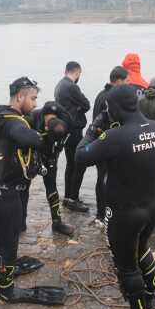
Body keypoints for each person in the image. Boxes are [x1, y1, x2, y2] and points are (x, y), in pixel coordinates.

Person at [76, 84, 155, 309]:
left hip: (123, 212)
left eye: (108, 108)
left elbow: (80, 156)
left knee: (126, 265)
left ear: (115, 108)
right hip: (151, 208)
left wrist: (93, 130)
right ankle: (149, 297)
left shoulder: (115, 136)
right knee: (142, 250)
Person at [0, 77, 65, 305]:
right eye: (32, 98)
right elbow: (26, 137)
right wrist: (46, 134)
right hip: (7, 192)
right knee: (9, 241)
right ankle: (7, 290)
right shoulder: (14, 122)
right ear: (19, 96)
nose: (34, 103)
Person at [27, 101, 75, 236]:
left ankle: (57, 222)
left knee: (52, 187)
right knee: (24, 184)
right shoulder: (33, 117)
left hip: (52, 153)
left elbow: (63, 141)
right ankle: (19, 221)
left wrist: (53, 155)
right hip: (34, 150)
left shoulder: (67, 121)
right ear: (46, 126)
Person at [90, 66, 129, 224]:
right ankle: (106, 213)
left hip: (100, 142)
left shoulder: (100, 94)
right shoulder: (114, 97)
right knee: (109, 179)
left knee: (101, 178)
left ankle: (101, 213)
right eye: (126, 81)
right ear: (119, 80)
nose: (127, 84)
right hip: (111, 144)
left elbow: (95, 118)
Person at [54, 61, 90, 212]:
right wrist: (78, 108)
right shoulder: (72, 86)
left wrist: (76, 107)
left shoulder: (59, 85)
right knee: (77, 164)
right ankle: (72, 198)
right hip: (74, 131)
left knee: (70, 164)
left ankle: (68, 197)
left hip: (64, 129)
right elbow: (87, 104)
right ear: (77, 73)